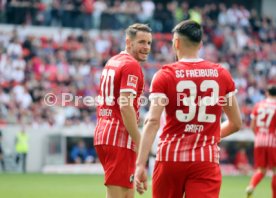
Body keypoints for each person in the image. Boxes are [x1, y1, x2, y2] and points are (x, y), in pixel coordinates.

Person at [135, 20, 242, 198]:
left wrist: (140, 164)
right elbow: (236, 123)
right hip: (205, 160)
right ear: (200, 44)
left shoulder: (164, 74)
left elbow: (152, 121)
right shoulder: (221, 74)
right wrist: (208, 136)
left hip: (170, 158)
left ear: (176, 42)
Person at [94, 23, 152, 198]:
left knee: (127, 194)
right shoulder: (131, 65)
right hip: (119, 136)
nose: (146, 47)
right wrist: (141, 144)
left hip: (105, 132)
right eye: (141, 42)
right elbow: (125, 105)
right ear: (128, 42)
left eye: (149, 43)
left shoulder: (113, 61)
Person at [245, 84, 276, 198]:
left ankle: (251, 186)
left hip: (259, 140)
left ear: (267, 93)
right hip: (273, 141)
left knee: (261, 170)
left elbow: (253, 126)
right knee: (275, 170)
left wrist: (258, 136)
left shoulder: (259, 105)